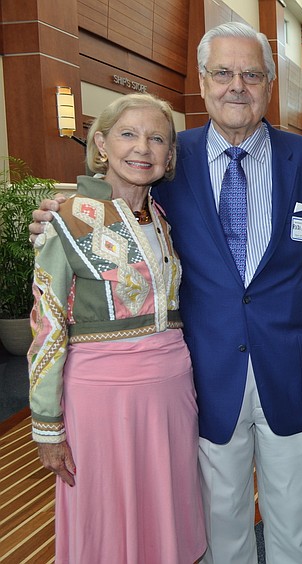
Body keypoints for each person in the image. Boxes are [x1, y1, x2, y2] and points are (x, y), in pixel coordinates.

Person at [31, 22, 302, 564]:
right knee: (220, 527)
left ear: (270, 85)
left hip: (293, 373)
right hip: (203, 376)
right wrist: (57, 215)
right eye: (223, 73)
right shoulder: (169, 159)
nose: (236, 85)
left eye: (251, 74)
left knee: (298, 529)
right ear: (202, 81)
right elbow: (116, 207)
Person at [28, 93, 206, 563]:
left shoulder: (162, 217)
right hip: (102, 398)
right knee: (105, 516)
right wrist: (47, 425)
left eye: (157, 139)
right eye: (128, 134)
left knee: (164, 513)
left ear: (170, 155)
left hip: (170, 393)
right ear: (102, 144)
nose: (142, 148)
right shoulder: (66, 218)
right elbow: (47, 324)